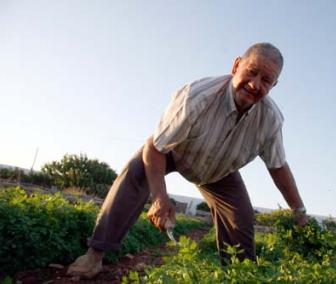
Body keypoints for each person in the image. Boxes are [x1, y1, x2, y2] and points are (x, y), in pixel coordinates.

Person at [67, 42, 307, 278]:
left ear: (274, 84)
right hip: (174, 152)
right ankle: (95, 254)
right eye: (251, 72)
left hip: (218, 172)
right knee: (136, 172)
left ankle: (240, 276)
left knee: (241, 217)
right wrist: (160, 197)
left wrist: (299, 211)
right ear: (236, 66)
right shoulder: (197, 97)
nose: (255, 84)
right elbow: (155, 146)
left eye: (266, 80)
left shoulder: (270, 121)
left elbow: (278, 166)